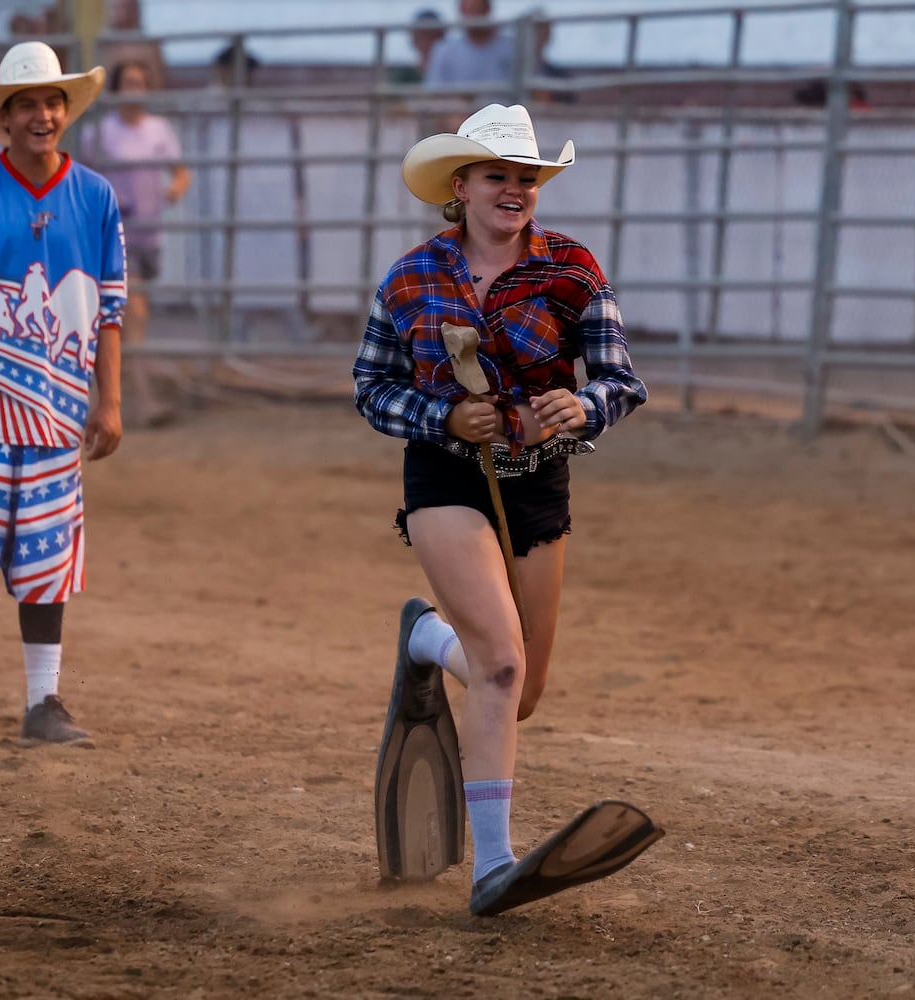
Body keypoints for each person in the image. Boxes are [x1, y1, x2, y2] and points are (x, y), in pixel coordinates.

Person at [352, 103, 647, 911]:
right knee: (504, 664)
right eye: (498, 177)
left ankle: (426, 641)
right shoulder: (410, 277)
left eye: (526, 179)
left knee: (519, 691)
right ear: (462, 186)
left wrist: (582, 409)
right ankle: (492, 866)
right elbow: (370, 390)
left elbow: (622, 380)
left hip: (539, 482)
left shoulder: (572, 270)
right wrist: (440, 416)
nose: (514, 190)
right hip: (443, 478)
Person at [0, 40, 125, 749]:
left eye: (53, 102)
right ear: (3, 117)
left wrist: (110, 400)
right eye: (28, 104)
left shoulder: (94, 196)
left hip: (57, 412)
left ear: (65, 111)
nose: (43, 114)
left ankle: (45, 703)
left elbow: (110, 309)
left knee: (45, 556)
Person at [81, 60, 191, 428]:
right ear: (116, 90)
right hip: (117, 236)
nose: (136, 88)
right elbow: (81, 181)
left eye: (141, 81)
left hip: (149, 235)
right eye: (129, 81)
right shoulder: (100, 133)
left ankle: (106, 397)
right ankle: (142, 403)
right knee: (135, 320)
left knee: (121, 323)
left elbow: (181, 172)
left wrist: (175, 188)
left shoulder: (159, 129)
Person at [423, 0, 516, 106]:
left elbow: (528, 93)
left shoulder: (513, 47)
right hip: (460, 116)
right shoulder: (444, 50)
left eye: (476, 10)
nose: (471, 15)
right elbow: (434, 94)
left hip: (505, 115)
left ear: (487, 9)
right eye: (466, 10)